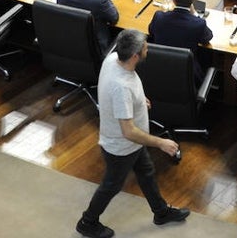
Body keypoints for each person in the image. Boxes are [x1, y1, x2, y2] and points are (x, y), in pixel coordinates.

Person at [74, 28, 188, 238]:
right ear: (135, 56)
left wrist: (137, 102)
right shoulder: (122, 86)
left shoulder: (112, 59)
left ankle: (161, 212)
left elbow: (116, 94)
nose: (148, 48)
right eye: (145, 47)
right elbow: (128, 131)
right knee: (111, 186)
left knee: (146, 173)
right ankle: (87, 222)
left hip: (132, 144)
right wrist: (160, 143)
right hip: (122, 147)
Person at [147, 0, 213, 82]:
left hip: (158, 74)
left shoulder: (159, 17)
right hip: (188, 78)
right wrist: (195, 13)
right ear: (192, 1)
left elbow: (151, 32)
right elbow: (207, 38)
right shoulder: (198, 24)